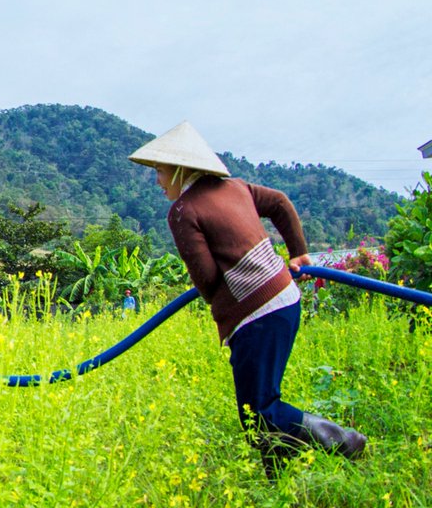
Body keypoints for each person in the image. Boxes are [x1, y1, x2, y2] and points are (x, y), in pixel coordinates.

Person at [128, 121, 366, 477]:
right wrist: (298, 252)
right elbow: (280, 203)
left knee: (260, 415)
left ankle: (344, 441)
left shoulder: (183, 210)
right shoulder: (236, 187)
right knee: (263, 404)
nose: (158, 181)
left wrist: (212, 287)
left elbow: (208, 280)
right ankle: (277, 484)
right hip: (286, 301)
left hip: (256, 315)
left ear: (179, 169)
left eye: (160, 171)